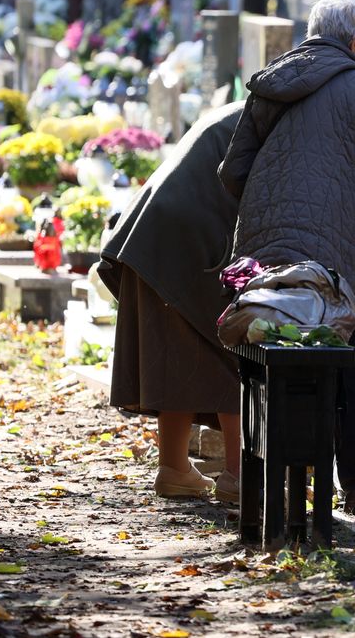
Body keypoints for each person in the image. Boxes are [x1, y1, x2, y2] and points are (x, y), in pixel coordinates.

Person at [219, 0, 355, 516]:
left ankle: (269, 479)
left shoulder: (271, 83)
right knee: (348, 358)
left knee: (270, 353)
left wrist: (268, 215)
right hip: (336, 255)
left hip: (264, 255)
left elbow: (232, 171)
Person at [99, 101, 245, 502]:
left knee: (176, 351)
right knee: (234, 348)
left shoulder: (248, 106)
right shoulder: (281, 116)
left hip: (152, 228)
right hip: (187, 230)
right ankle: (240, 474)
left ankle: (175, 468)